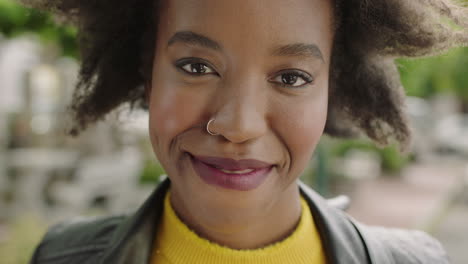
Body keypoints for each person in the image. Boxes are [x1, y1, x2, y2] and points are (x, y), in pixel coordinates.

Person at [25, 0, 467, 263]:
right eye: (196, 67)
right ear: (148, 78)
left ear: (334, 88)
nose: (238, 126)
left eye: (292, 77)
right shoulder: (62, 256)